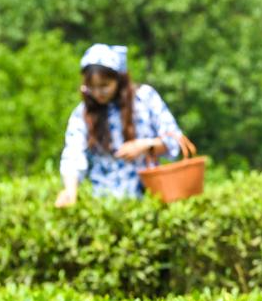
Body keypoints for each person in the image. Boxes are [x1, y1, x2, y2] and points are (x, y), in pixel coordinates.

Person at [56, 44, 184, 207]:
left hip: (149, 199)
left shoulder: (145, 98)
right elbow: (73, 153)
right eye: (91, 87)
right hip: (103, 203)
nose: (97, 93)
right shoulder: (83, 112)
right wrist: (70, 190)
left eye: (104, 85)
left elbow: (176, 140)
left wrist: (145, 146)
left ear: (118, 79)